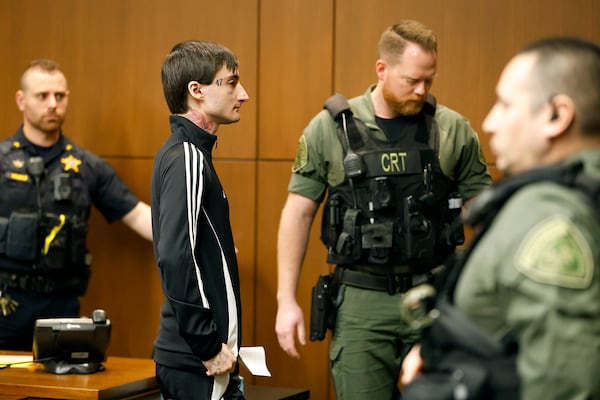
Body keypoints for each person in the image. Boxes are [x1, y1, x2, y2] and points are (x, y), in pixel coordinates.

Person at [275, 20, 492, 399]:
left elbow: (484, 215)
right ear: (382, 69)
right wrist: (285, 300)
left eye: (429, 80)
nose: (422, 90)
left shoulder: (452, 129)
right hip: (361, 304)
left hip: (433, 298)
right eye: (411, 80)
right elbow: (298, 213)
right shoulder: (330, 129)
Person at [400, 36, 600, 400]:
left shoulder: (550, 216)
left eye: (506, 105)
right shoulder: (580, 192)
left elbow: (564, 382)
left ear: (557, 116)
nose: (490, 122)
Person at [0, 59, 152, 351]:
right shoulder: (2, 161)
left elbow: (139, 216)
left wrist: (195, 240)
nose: (52, 104)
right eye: (42, 96)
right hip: (6, 305)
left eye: (59, 95)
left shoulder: (86, 166)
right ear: (22, 100)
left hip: (61, 308)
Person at [151, 40, 249, 400]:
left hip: (196, 358)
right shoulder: (186, 156)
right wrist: (207, 346)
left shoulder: (188, 153)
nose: (244, 94)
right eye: (232, 82)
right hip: (197, 360)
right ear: (196, 91)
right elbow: (176, 256)